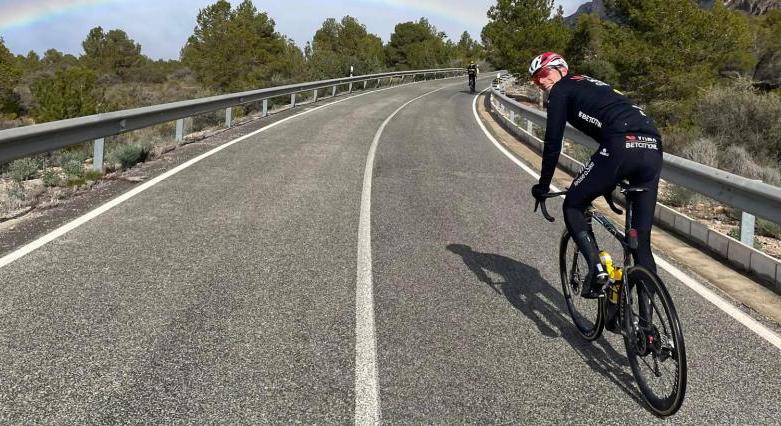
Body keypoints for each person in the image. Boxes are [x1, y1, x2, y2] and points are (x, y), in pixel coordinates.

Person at [528, 52, 663, 299]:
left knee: (573, 205)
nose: (540, 82)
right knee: (641, 243)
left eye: (543, 74)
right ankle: (647, 330)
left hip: (621, 144)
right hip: (652, 145)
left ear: (561, 69)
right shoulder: (592, 84)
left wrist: (543, 185)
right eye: (535, 80)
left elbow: (552, 142)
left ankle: (598, 270)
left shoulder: (561, 90)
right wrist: (607, 181)